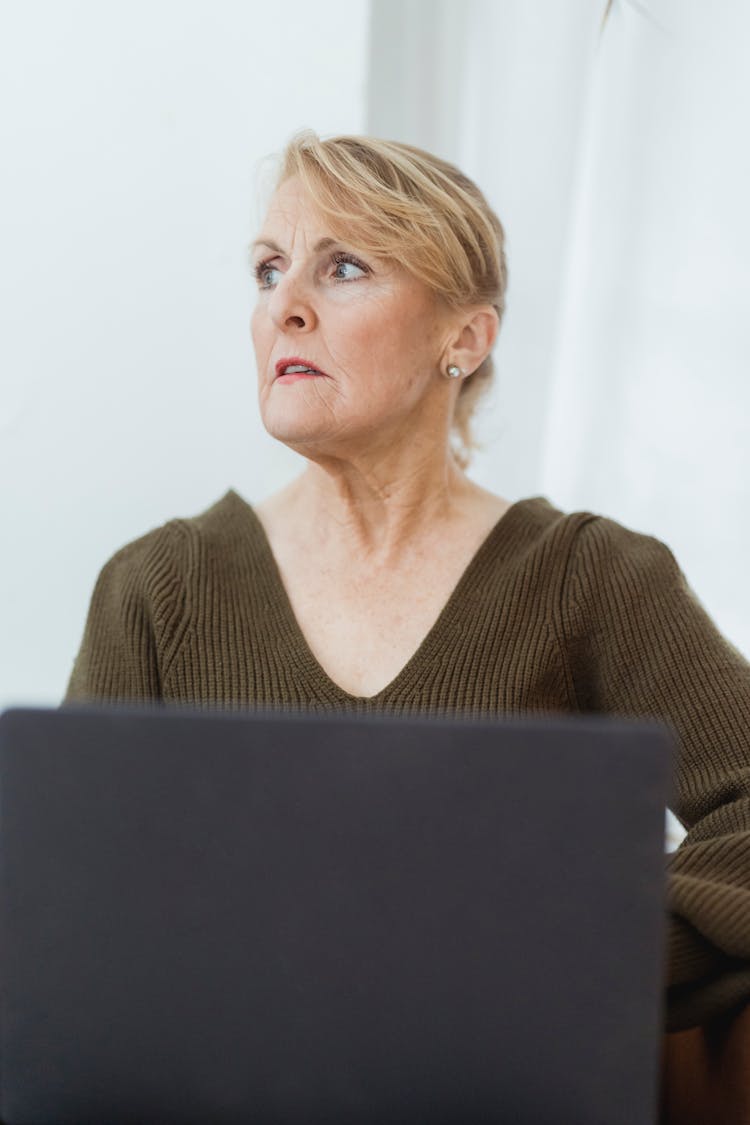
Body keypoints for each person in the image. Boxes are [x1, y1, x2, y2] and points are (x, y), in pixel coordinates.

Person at [65, 130, 750, 1121]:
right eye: (268, 270)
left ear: (463, 340)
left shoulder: (591, 579)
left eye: (342, 266)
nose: (284, 306)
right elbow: (78, 918)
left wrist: (583, 961)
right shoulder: (157, 587)